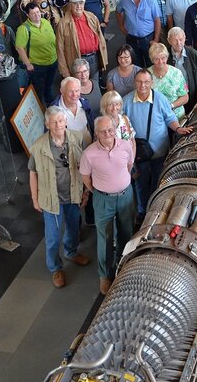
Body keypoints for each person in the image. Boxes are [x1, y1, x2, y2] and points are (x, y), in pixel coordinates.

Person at [28, 106, 90, 288]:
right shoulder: (38, 146)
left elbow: (86, 167)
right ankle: (55, 268)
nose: (58, 125)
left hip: (73, 195)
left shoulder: (77, 139)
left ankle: (71, 252)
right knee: (53, 237)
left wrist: (85, 191)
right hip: (51, 199)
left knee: (73, 228)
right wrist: (34, 198)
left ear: (66, 122)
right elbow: (33, 172)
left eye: (61, 121)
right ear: (47, 124)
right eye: (53, 122)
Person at [123, 70, 193, 217]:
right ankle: (142, 213)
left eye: (146, 82)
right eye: (139, 82)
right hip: (139, 154)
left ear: (151, 83)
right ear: (135, 82)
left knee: (158, 182)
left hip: (159, 153)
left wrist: (178, 128)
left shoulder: (160, 99)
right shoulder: (127, 101)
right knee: (140, 185)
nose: (143, 85)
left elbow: (170, 118)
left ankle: (156, 211)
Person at [79, 115, 136, 295]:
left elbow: (129, 166)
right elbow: (85, 178)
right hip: (103, 199)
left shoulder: (126, 146)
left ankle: (123, 265)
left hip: (125, 196)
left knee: (126, 232)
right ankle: (105, 275)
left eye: (110, 130)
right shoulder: (89, 154)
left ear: (115, 129)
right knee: (104, 237)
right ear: (96, 133)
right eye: (103, 131)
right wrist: (99, 191)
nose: (107, 134)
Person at [56, 0, 108, 81]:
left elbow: (101, 40)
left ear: (84, 4)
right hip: (76, 60)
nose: (78, 6)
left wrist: (104, 59)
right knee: (78, 88)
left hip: (94, 58)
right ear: (70, 5)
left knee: (94, 83)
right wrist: (64, 70)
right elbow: (60, 49)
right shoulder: (63, 23)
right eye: (75, 3)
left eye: (81, 3)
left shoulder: (92, 17)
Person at [15, 3, 58, 104]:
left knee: (50, 87)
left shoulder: (45, 22)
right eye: (33, 13)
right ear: (28, 15)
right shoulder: (24, 29)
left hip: (52, 62)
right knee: (39, 91)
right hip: (37, 66)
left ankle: (51, 108)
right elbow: (19, 48)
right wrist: (28, 64)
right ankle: (41, 111)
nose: (37, 15)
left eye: (38, 12)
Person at [117, 0, 161, 68]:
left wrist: (156, 40)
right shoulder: (123, 0)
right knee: (135, 67)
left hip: (148, 39)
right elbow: (118, 11)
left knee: (152, 65)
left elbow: (157, 20)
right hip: (131, 39)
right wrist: (121, 26)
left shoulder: (151, 0)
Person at [167, 27, 197, 111]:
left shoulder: (195, 55)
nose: (179, 43)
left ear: (185, 38)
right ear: (169, 41)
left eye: (181, 39)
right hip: (174, 98)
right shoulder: (165, 56)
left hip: (192, 95)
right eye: (175, 40)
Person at [147, 42, 189, 120]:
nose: (160, 62)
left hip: (177, 116)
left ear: (167, 57)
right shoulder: (147, 74)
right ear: (151, 60)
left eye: (163, 58)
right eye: (156, 59)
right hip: (156, 117)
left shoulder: (177, 73)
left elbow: (185, 97)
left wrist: (171, 106)